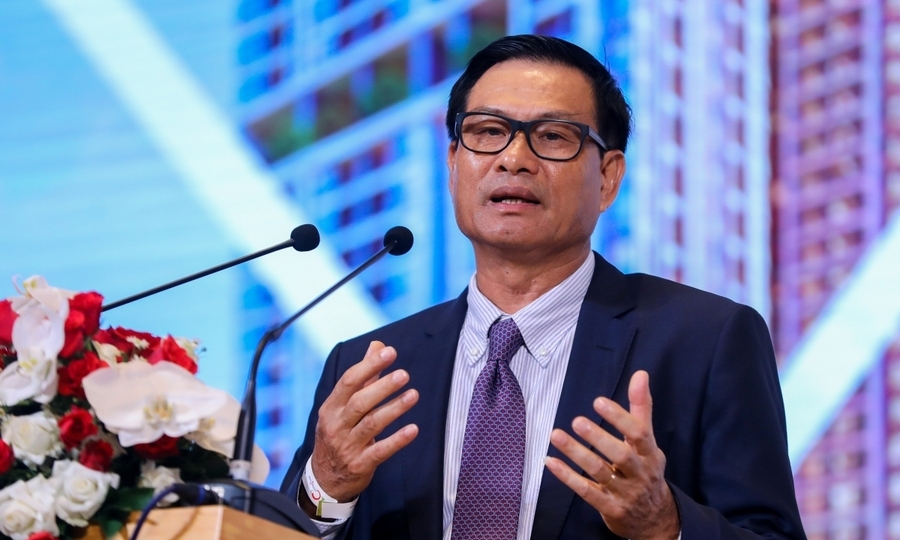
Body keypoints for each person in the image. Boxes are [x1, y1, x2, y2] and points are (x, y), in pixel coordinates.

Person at [282, 34, 806, 540]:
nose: (513, 158)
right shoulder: (367, 368)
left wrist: (665, 526)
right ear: (453, 163)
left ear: (608, 178)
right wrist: (325, 488)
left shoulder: (705, 340)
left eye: (553, 136)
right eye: (488, 132)